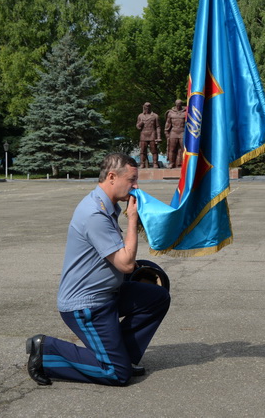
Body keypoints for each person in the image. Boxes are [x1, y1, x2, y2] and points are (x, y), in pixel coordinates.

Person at [26, 153, 171, 387]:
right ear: (112, 176)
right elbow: (125, 263)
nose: (136, 186)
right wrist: (132, 220)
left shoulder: (106, 204)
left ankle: (123, 357)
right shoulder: (95, 213)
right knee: (117, 374)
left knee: (157, 298)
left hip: (108, 294)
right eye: (132, 180)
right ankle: (46, 352)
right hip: (87, 305)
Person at [136, 102, 162, 168]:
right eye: (146, 106)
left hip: (152, 135)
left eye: (148, 106)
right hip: (143, 135)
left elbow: (158, 127)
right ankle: (142, 164)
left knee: (154, 150)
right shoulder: (140, 116)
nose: (147, 108)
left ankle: (155, 163)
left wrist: (158, 137)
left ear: (150, 107)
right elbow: (138, 127)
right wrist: (141, 123)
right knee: (142, 151)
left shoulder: (155, 116)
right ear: (144, 107)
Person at [164, 99, 186, 168]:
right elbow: (167, 124)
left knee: (184, 149)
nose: (178, 106)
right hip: (173, 132)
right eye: (177, 105)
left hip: (182, 132)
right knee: (172, 149)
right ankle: (171, 163)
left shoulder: (185, 112)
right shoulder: (170, 113)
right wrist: (166, 133)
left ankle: (184, 163)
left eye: (180, 105)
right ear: (175, 104)